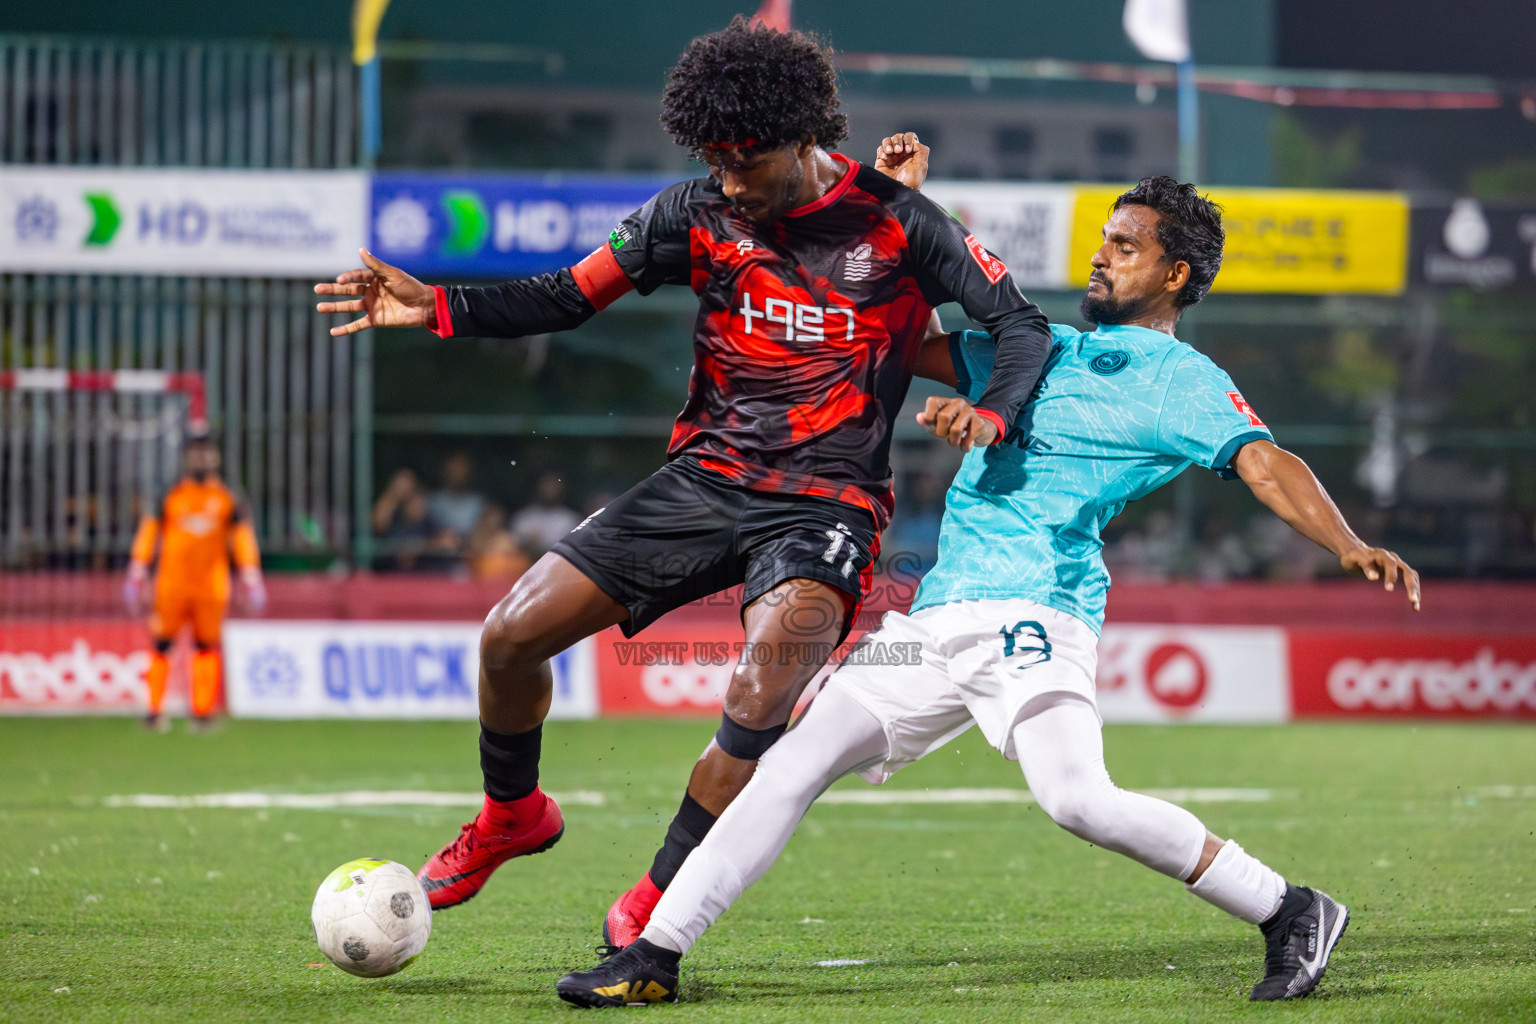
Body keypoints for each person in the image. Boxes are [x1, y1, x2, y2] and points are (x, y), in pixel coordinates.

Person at [553, 167, 1422, 1006]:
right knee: (787, 765)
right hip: (937, 617)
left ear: (1175, 273)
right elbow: (903, 336)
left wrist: (1345, 542)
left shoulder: (1178, 382)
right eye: (1103, 241)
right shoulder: (1038, 346)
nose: (1101, 255)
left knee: (1078, 800)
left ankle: (1289, 908)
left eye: (1125, 246)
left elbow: (1265, 462)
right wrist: (890, 217)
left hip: (1036, 608)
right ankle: (654, 956)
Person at [313, 18, 1053, 927]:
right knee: (508, 637)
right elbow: (566, 296)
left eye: (747, 161)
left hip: (827, 505)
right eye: (715, 161)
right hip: (704, 482)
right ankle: (513, 815)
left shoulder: (902, 223)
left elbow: (1023, 326)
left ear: (802, 139)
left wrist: (993, 412)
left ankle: (659, 897)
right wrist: (440, 308)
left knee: (758, 692)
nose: (731, 182)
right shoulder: (692, 212)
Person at [124, 431, 266, 730]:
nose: (201, 459)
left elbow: (242, 539)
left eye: (206, 453)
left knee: (205, 646)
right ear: (187, 458)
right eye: (196, 453)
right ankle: (154, 710)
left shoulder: (228, 498)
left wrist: (250, 576)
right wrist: (137, 569)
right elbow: (149, 532)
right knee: (162, 643)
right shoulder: (170, 494)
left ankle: (201, 712)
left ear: (216, 458)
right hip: (172, 583)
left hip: (211, 585)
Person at [510, 471, 581, 556]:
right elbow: (511, 546)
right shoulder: (523, 517)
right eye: (546, 485)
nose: (549, 489)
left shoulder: (571, 520)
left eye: (553, 485)